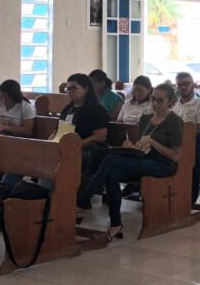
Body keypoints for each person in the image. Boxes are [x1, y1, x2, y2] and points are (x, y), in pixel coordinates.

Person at [78, 82, 184, 240]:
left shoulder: (175, 121)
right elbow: (142, 147)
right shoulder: (145, 118)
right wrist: (131, 146)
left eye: (160, 100)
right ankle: (116, 224)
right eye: (153, 99)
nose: (155, 103)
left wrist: (153, 142)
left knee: (111, 159)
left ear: (171, 102)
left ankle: (82, 199)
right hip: (144, 159)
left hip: (162, 165)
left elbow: (175, 156)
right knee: (112, 171)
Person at [59, 73, 110, 177]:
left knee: (60, 158)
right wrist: (48, 144)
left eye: (73, 88)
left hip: (84, 149)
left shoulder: (97, 110)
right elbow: (58, 132)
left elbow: (100, 136)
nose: (69, 92)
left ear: (86, 89)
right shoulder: (68, 109)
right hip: (66, 146)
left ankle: (56, 189)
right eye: (68, 89)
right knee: (45, 154)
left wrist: (77, 145)